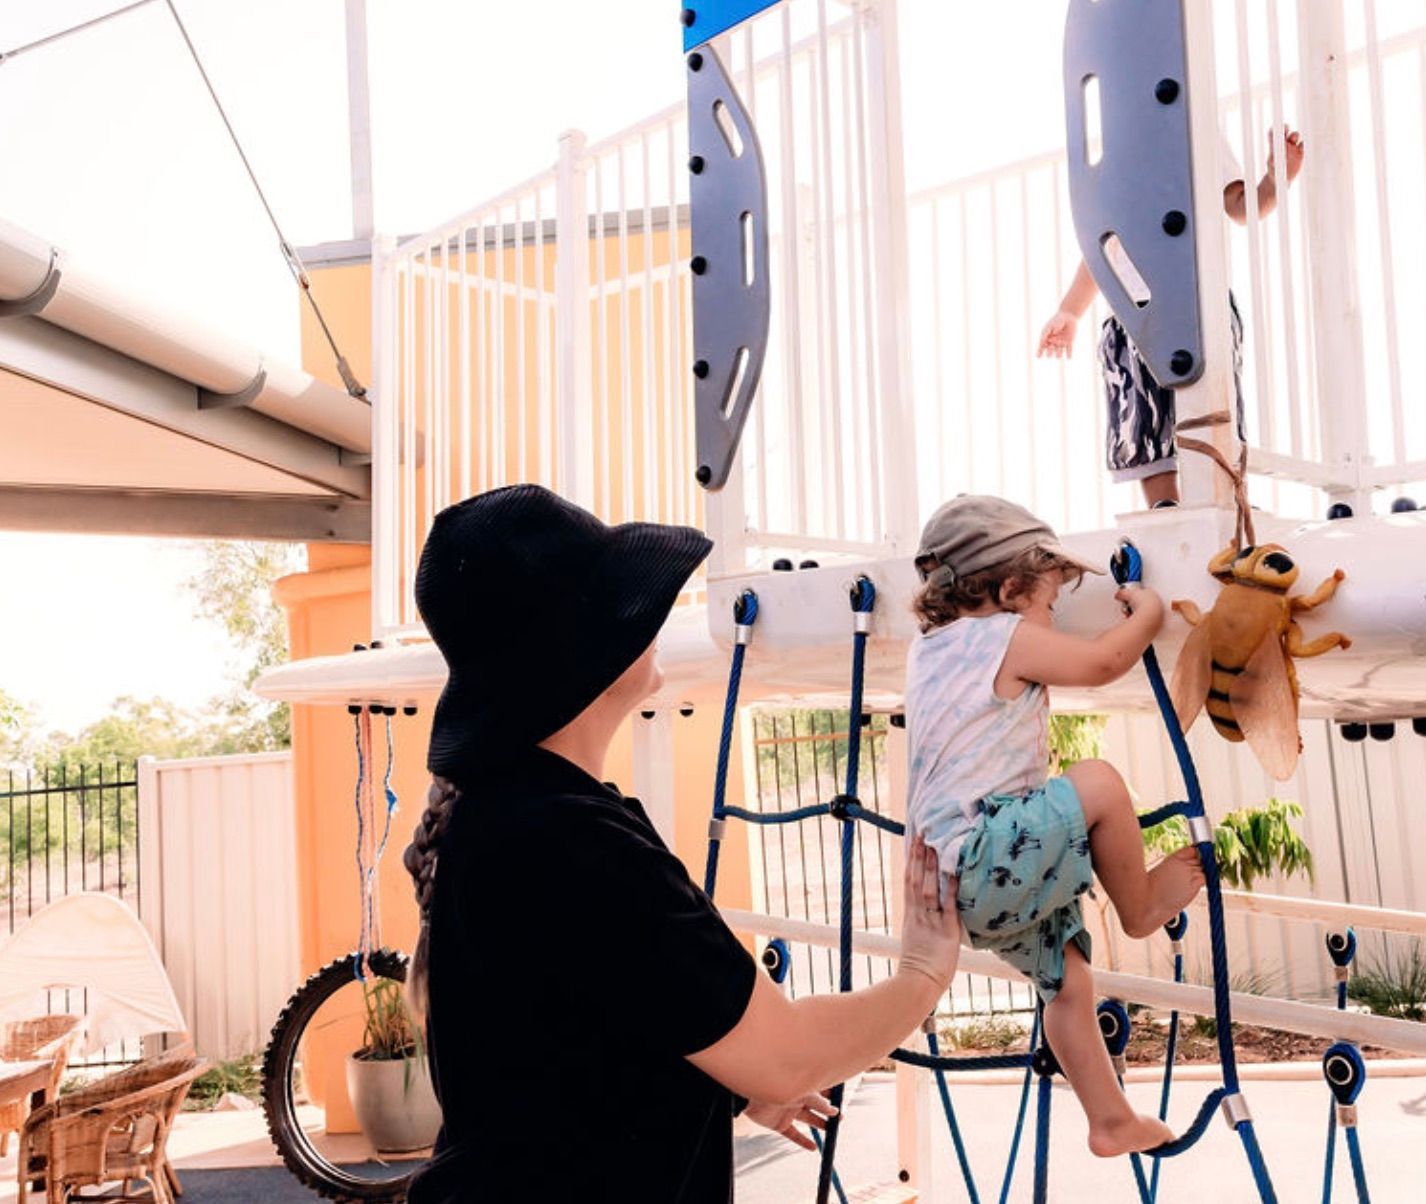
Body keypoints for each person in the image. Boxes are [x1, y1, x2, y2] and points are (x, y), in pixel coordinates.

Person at [401, 484, 962, 1202]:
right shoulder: (573, 842)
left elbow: (566, 1038)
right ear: (581, 652)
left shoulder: (504, 813)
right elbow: (789, 1054)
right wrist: (922, 973)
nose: (650, 614)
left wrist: (723, 1086)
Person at [905, 494, 1205, 1157]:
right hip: (985, 854)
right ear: (1010, 589)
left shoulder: (927, 652)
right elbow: (1101, 664)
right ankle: (1141, 905)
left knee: (1068, 981)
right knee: (1096, 778)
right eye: (1048, 605)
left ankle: (1111, 1119)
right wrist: (1148, 614)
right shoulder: (1002, 636)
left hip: (953, 887)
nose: (1050, 620)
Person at [1037, 127, 1306, 507]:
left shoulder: (1198, 131)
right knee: (1141, 413)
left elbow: (1241, 206)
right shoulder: (1117, 154)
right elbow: (1100, 246)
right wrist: (1070, 310)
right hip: (1133, 308)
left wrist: (1277, 179)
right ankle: (1164, 505)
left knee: (1217, 404)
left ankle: (1228, 498)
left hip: (1199, 302)